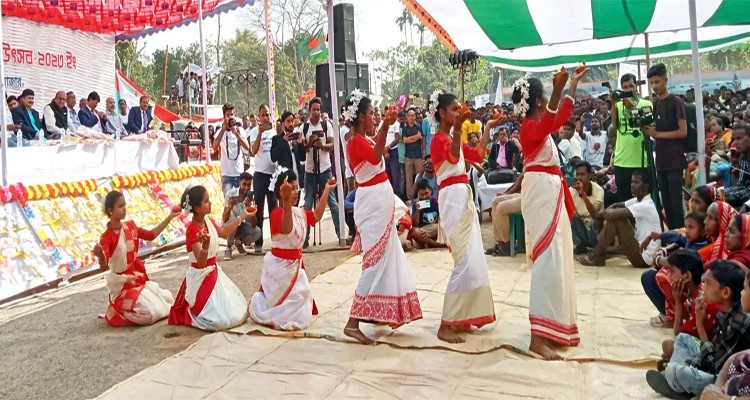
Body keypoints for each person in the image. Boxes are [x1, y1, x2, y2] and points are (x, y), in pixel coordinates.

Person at [511, 67, 586, 359]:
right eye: (546, 96)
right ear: (539, 102)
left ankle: (554, 326)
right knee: (547, 260)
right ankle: (537, 337)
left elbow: (561, 118)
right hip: (542, 191)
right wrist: (559, 90)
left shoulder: (538, 123)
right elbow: (550, 123)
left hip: (548, 189)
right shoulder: (529, 126)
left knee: (557, 259)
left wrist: (572, 86)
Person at [343, 93, 422, 345]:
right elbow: (376, 157)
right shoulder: (355, 141)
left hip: (377, 200)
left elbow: (377, 153)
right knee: (374, 261)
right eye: (373, 114)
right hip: (372, 203)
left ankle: (375, 310)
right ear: (362, 116)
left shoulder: (361, 139)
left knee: (384, 256)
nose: (376, 118)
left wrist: (384, 128)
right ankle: (352, 322)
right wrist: (387, 126)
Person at [429, 91, 499, 344]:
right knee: (462, 261)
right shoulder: (438, 139)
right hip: (452, 199)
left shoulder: (449, 136)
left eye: (459, 110)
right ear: (441, 113)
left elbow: (477, 155)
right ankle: (446, 323)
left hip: (462, 197)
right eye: (454, 110)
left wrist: (488, 127)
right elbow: (453, 158)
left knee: (472, 259)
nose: (459, 113)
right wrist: (458, 129)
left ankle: (464, 315)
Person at [646, 261, 750, 399]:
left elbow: (715, 365)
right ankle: (676, 380)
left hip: (722, 378)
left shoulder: (739, 320)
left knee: (676, 371)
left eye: (707, 283)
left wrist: (699, 326)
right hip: (716, 361)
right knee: (683, 339)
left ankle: (676, 382)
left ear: (725, 292)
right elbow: (713, 349)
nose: (703, 287)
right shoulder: (728, 311)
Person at [249, 170, 336, 330]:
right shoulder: (276, 213)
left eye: (297, 188)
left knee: (301, 300)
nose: (296, 192)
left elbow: (316, 216)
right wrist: (287, 203)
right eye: (292, 189)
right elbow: (287, 229)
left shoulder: (299, 212)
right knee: (293, 306)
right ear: (281, 192)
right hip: (279, 268)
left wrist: (326, 190)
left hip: (295, 267)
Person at [168, 185, 253, 331]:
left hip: (214, 273)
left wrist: (243, 216)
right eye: (206, 201)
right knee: (220, 321)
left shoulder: (209, 221)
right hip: (201, 277)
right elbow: (201, 263)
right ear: (197, 208)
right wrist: (206, 246)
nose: (210, 203)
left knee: (238, 313)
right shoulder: (192, 230)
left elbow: (225, 232)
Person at [92, 190, 176, 326]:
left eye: (124, 205)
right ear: (110, 210)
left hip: (136, 279)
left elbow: (151, 235)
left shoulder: (130, 227)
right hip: (122, 286)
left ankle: (129, 306)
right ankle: (117, 310)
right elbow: (103, 266)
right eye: (120, 206)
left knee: (168, 299)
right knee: (150, 314)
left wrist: (170, 217)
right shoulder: (106, 237)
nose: (124, 209)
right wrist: (100, 254)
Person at [655, 250, 722, 373]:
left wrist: (679, 303)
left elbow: (679, 338)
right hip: (702, 343)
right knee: (668, 346)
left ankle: (674, 370)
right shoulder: (694, 294)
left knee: (669, 346)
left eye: (672, 271)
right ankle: (673, 364)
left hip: (711, 352)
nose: (668, 276)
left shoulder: (700, 301)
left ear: (686, 276)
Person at [578, 170, 661, 268]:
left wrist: (599, 217)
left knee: (618, 219)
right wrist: (600, 218)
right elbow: (616, 205)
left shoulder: (646, 205)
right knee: (616, 215)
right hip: (640, 249)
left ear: (646, 186)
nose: (632, 185)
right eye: (632, 182)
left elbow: (612, 215)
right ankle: (598, 254)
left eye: (636, 182)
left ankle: (596, 255)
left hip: (643, 259)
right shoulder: (638, 200)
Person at [643, 63, 688, 230]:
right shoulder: (656, 103)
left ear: (665, 80)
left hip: (675, 160)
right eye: (652, 83)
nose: (654, 86)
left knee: (676, 206)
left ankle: (681, 238)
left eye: (657, 82)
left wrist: (657, 134)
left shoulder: (675, 101)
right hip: (661, 160)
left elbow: (682, 131)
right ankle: (672, 239)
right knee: (666, 205)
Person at [299, 98, 340, 246]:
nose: (316, 112)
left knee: (333, 202)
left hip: (325, 168)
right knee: (308, 204)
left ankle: (341, 234)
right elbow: (301, 150)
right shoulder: (303, 128)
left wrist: (322, 145)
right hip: (310, 171)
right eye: (314, 109)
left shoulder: (326, 124)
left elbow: (331, 145)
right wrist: (310, 143)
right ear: (309, 111)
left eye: (318, 109)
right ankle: (305, 239)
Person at [609, 73, 652, 201]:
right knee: (624, 200)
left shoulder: (646, 103)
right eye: (625, 87)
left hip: (641, 160)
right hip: (622, 161)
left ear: (636, 87)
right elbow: (615, 126)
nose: (628, 89)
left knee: (642, 199)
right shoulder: (618, 105)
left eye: (631, 86)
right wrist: (613, 104)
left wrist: (631, 106)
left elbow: (648, 124)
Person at [247, 104, 277, 253]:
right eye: (263, 115)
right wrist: (259, 134)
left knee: (273, 209)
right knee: (259, 209)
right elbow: (253, 150)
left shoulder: (274, 131)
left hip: (273, 174)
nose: (266, 117)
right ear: (259, 117)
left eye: (268, 115)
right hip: (260, 174)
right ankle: (258, 242)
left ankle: (275, 240)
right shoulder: (253, 132)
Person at [222, 172, 262, 260]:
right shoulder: (231, 194)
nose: (246, 187)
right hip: (228, 226)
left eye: (248, 185)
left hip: (240, 226)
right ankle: (228, 247)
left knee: (257, 232)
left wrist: (250, 209)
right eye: (244, 184)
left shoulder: (251, 197)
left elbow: (254, 225)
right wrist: (229, 207)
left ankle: (238, 243)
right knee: (234, 220)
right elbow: (224, 219)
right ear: (239, 183)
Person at [214, 103, 250, 196]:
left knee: (240, 204)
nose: (230, 117)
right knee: (228, 204)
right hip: (226, 174)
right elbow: (214, 147)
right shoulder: (220, 131)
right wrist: (223, 129)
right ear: (224, 117)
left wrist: (236, 134)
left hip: (239, 173)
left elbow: (247, 147)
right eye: (228, 115)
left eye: (232, 115)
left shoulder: (240, 130)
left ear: (235, 115)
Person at [570, 161, 605, 255]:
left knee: (596, 220)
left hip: (594, 230)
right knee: (568, 216)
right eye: (577, 174)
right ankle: (580, 246)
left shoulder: (598, 190)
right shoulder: (571, 191)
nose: (579, 178)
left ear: (590, 175)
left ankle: (594, 247)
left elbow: (594, 214)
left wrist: (583, 194)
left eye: (582, 174)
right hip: (581, 229)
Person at [485, 173, 523, 257]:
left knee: (501, 208)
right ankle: (500, 242)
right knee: (495, 201)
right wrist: (505, 193)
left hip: (528, 196)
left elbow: (521, 179)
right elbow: (519, 180)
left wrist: (507, 194)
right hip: (521, 194)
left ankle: (507, 244)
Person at [270, 111, 305, 192]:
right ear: (283, 123)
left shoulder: (296, 137)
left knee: (296, 202)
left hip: (297, 179)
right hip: (285, 178)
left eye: (292, 121)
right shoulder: (277, 139)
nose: (291, 124)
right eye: (288, 121)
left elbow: (303, 158)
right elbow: (273, 158)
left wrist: (300, 144)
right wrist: (283, 141)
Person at [718, 123, 750, 209]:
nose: (735, 143)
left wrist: (724, 195)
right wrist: (720, 193)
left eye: (739, 138)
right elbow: (742, 185)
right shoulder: (743, 156)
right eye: (734, 139)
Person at [409, 180, 443, 248]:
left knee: (445, 227)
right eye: (421, 194)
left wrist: (431, 234)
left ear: (431, 191)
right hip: (423, 230)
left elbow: (442, 221)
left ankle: (428, 242)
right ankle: (437, 244)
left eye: (426, 193)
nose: (424, 197)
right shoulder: (416, 203)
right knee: (413, 231)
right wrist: (418, 211)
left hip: (436, 228)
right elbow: (415, 224)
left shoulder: (437, 202)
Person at [402, 109, 424, 201]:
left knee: (419, 177)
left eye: (413, 115)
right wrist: (416, 137)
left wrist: (410, 139)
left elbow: (420, 137)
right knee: (409, 179)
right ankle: (410, 198)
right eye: (409, 115)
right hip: (408, 156)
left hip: (418, 156)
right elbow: (405, 140)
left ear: (415, 116)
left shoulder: (419, 127)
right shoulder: (404, 129)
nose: (411, 117)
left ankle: (420, 197)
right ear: (407, 117)